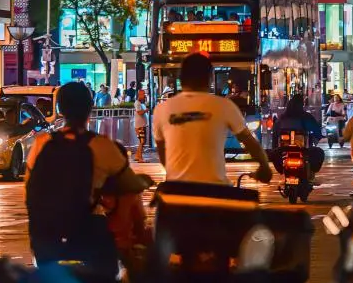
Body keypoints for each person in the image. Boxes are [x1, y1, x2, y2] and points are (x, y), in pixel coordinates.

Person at [25, 81, 150, 274]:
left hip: (45, 235)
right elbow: (130, 186)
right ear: (90, 108)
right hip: (87, 231)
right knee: (110, 268)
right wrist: (143, 182)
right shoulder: (103, 146)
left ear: (59, 109)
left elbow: (29, 186)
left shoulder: (41, 144)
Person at [153, 53, 272, 185]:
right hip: (216, 191)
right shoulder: (224, 105)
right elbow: (250, 143)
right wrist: (265, 167)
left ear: (180, 78)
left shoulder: (161, 109)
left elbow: (163, 153)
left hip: (175, 193)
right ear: (209, 78)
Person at [273, 93, 325, 174]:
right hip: (303, 150)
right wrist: (318, 137)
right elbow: (316, 131)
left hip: (284, 150)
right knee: (320, 153)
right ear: (301, 104)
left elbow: (275, 135)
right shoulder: (306, 117)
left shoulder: (281, 118)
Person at [134, 89, 149, 164]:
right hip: (139, 126)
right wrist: (146, 110)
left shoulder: (141, 103)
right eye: (143, 94)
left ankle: (137, 156)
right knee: (142, 141)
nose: (144, 95)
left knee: (142, 141)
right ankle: (140, 158)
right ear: (139, 95)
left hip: (142, 125)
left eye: (144, 94)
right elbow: (139, 112)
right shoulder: (137, 103)